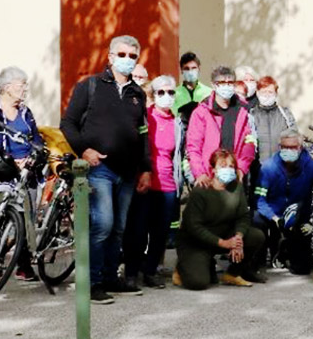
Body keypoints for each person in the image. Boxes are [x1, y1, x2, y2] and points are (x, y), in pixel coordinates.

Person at [60, 35, 152, 303]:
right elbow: (68, 123)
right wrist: (84, 151)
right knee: (102, 225)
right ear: (110, 57)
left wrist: (145, 168)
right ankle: (93, 282)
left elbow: (143, 134)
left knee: (119, 228)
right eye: (121, 55)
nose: (127, 60)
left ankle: (111, 277)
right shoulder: (89, 86)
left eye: (132, 56)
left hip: (128, 171)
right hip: (100, 169)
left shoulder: (138, 94)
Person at [0, 66, 44, 282]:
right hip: (2, 171)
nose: (25, 89)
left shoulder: (25, 112)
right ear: (7, 88)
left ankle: (23, 266)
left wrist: (32, 157)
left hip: (27, 172)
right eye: (22, 85)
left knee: (25, 219)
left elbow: (36, 138)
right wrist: (9, 160)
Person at [122, 75, 183, 290]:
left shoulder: (177, 122)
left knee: (161, 232)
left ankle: (150, 272)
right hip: (144, 182)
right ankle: (131, 273)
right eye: (161, 92)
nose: (167, 96)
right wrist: (139, 173)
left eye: (171, 92)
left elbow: (179, 154)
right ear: (153, 95)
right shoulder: (145, 118)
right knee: (137, 231)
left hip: (167, 184)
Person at [174, 149, 265, 289]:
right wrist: (223, 243)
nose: (228, 170)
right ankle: (182, 267)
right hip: (196, 242)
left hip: (224, 235)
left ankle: (233, 273)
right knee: (198, 283)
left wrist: (238, 238)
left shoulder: (237, 187)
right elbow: (194, 227)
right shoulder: (201, 190)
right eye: (223, 166)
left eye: (231, 166)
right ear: (213, 169)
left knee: (256, 236)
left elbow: (243, 216)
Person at [254, 128, 313, 274]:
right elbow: (259, 200)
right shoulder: (268, 168)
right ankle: (258, 260)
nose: (288, 150)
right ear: (280, 147)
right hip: (274, 215)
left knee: (302, 269)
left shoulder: (312, 167)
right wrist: (274, 217)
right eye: (285, 147)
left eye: (293, 147)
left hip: (300, 217)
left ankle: (286, 252)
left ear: (300, 148)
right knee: (257, 219)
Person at [186, 66, 257, 187]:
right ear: (214, 85)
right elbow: (193, 147)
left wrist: (241, 169)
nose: (227, 86)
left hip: (235, 176)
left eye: (230, 83)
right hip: (209, 179)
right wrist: (200, 173)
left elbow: (249, 143)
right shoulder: (201, 112)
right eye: (222, 83)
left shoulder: (243, 111)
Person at [250, 76, 296, 164]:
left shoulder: (285, 113)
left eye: (270, 92)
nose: (267, 95)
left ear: (276, 93)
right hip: (259, 168)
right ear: (257, 93)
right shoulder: (252, 114)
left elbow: (294, 136)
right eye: (263, 92)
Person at [174, 51, 211, 123]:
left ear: (199, 69)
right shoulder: (174, 93)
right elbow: (171, 115)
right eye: (186, 69)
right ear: (181, 70)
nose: (190, 72)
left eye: (193, 68)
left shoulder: (209, 92)